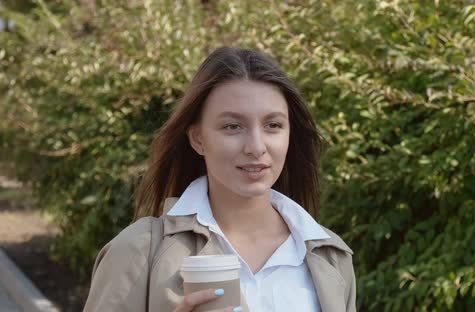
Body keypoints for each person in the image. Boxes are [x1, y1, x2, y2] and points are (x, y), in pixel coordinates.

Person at [83, 47, 356, 312]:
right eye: (232, 126)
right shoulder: (137, 251)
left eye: (273, 125)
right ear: (198, 139)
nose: (256, 147)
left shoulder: (331, 257)